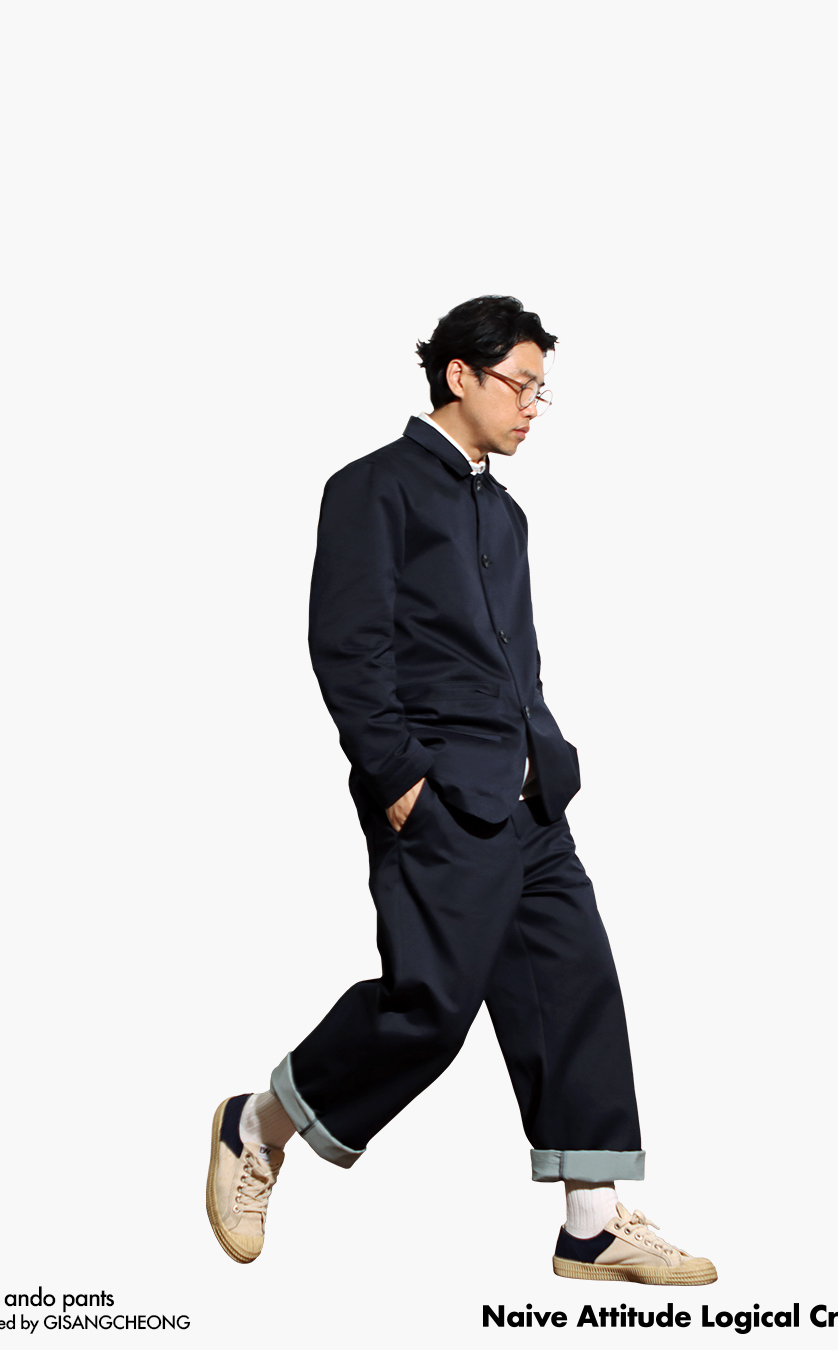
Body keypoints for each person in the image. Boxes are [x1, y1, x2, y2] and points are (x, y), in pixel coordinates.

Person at [206, 295, 717, 1285]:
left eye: (541, 390)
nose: (533, 406)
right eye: (520, 384)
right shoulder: (372, 487)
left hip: (530, 797)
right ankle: (255, 1125)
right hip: (438, 794)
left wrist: (545, 756)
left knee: (574, 985)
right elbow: (347, 644)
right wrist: (399, 778)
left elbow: (514, 656)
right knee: (430, 1007)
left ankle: (591, 1224)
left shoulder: (505, 511)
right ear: (460, 375)